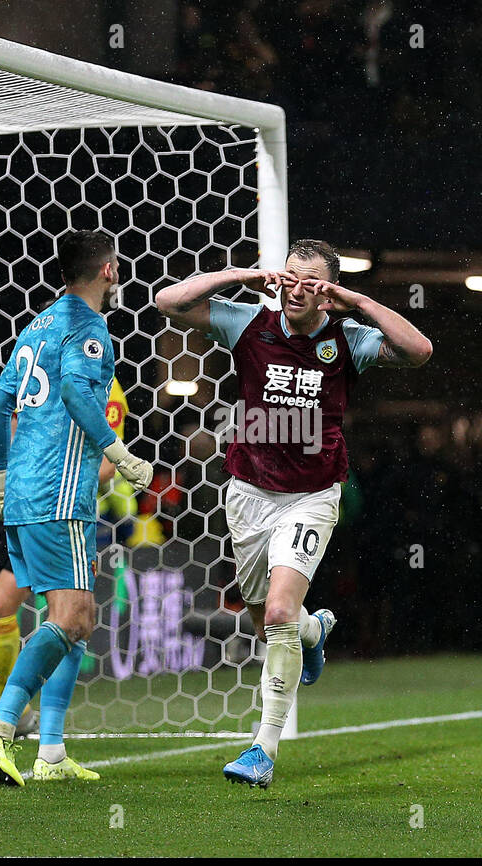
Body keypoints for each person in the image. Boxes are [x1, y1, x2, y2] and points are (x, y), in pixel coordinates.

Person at [155, 238, 432, 787]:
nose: (295, 288)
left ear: (326, 294)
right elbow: (169, 301)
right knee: (268, 622)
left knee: (278, 613)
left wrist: (353, 299)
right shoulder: (248, 323)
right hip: (250, 495)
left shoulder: (346, 339)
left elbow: (419, 350)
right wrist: (243, 275)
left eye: (311, 282)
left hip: (313, 495)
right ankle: (314, 630)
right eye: (290, 277)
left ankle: (263, 749)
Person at [0, 230, 153, 787]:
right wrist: (120, 455)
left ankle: (50, 750)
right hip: (59, 493)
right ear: (110, 271)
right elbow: (74, 390)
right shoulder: (89, 328)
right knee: (70, 618)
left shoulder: (36, 326)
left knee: (76, 619)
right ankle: (0, 730)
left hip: (24, 493)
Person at [0, 375, 131, 778]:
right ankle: (25, 731)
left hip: (59, 510)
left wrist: (58, 478)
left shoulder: (102, 383)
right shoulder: (37, 367)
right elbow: (11, 435)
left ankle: (10, 722)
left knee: (63, 615)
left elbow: (106, 463)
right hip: (20, 507)